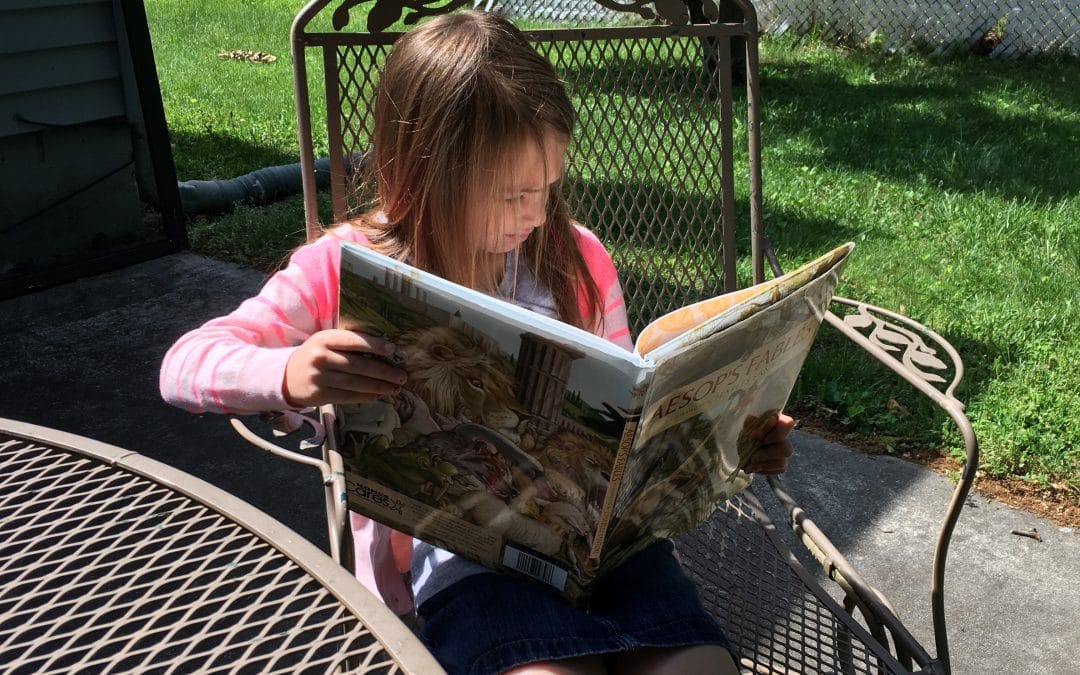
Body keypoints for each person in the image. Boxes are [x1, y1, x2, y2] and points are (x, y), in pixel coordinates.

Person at [160, 11, 795, 675]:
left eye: (548, 188)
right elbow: (185, 365)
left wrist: (729, 439)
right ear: (421, 176)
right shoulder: (345, 267)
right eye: (513, 193)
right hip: (467, 565)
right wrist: (290, 371)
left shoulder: (577, 261)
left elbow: (630, 410)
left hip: (610, 560)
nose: (538, 213)